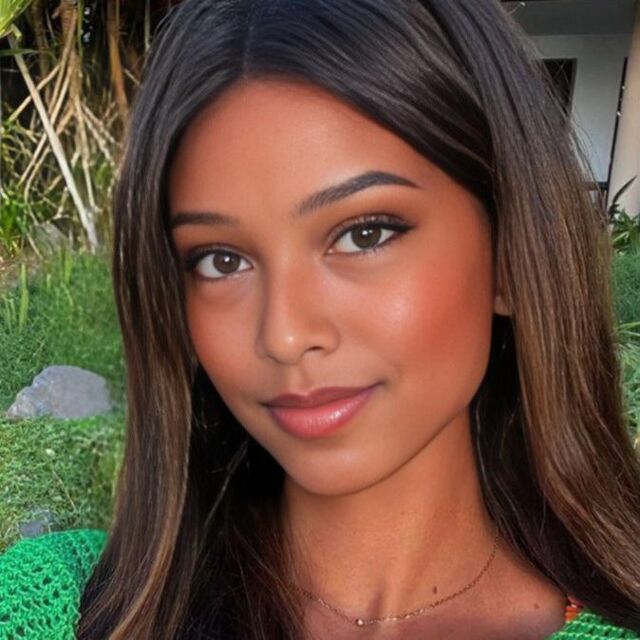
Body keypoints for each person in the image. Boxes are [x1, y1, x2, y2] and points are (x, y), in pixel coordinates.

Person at [0, 0, 639, 638]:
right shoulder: (53, 610)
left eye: (365, 234)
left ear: (509, 255)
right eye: (221, 260)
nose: (283, 335)